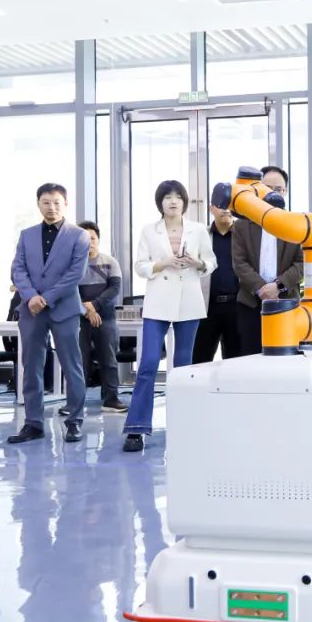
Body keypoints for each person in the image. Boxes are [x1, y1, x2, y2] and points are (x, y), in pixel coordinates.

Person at [122, 180, 215, 452]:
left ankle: (184, 425)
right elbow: (140, 266)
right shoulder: (149, 231)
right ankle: (137, 427)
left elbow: (211, 262)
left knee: (184, 366)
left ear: (184, 202)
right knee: (149, 363)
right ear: (160, 202)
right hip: (158, 301)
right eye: (167, 197)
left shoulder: (198, 229)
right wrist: (164, 263)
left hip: (188, 300)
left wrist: (197, 263)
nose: (173, 201)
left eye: (177, 197)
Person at [7, 183, 91, 445]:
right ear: (38, 204)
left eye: (56, 202)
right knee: (31, 367)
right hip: (31, 310)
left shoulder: (79, 235)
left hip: (64, 309)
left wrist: (46, 298)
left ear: (65, 204)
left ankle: (74, 421)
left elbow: (75, 274)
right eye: (46, 202)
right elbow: (18, 269)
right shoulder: (26, 235)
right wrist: (31, 296)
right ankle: (33, 423)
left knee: (72, 366)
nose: (51, 207)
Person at [231, 165, 303, 356]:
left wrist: (278, 286)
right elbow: (239, 263)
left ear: (285, 192)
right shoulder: (241, 225)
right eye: (267, 188)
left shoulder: (298, 223)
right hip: (250, 305)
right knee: (251, 357)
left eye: (278, 189)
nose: (272, 193)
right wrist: (262, 289)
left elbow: (302, 263)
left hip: (287, 304)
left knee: (287, 360)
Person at [76, 221, 127, 412]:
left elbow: (114, 288)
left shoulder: (110, 261)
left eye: (93, 238)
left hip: (106, 317)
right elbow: (69, 290)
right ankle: (75, 401)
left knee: (108, 360)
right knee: (79, 361)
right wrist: (87, 310)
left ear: (98, 240)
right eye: (84, 239)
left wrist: (94, 305)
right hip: (79, 318)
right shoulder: (73, 264)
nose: (89, 242)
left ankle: (111, 399)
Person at [193, 203, 243, 362]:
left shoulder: (243, 235)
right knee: (199, 360)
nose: (226, 210)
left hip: (237, 307)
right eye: (221, 205)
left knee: (236, 362)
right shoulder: (202, 235)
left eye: (229, 206)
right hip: (207, 307)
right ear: (211, 208)